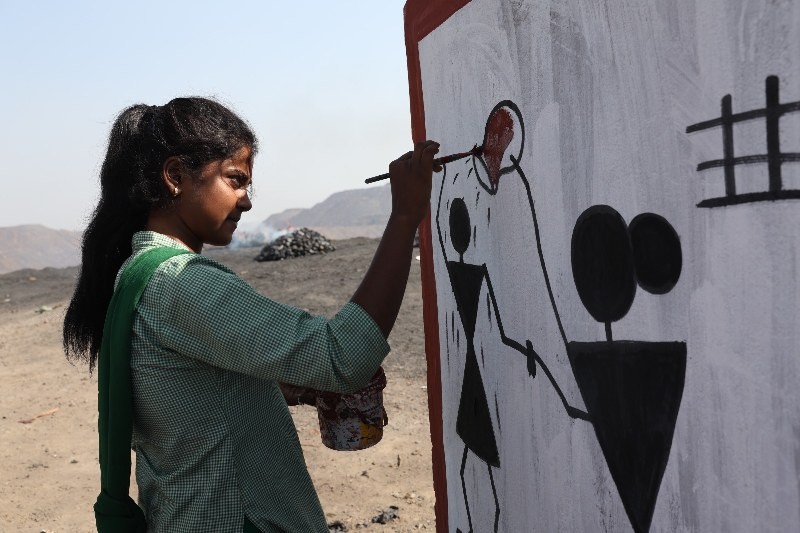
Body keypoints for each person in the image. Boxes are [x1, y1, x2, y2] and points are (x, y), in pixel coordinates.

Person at [62, 97, 440, 532]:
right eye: (235, 180)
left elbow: (186, 397)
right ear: (176, 176)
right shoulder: (182, 283)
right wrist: (406, 214)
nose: (246, 202)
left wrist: (280, 387)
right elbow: (342, 357)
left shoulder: (137, 275)